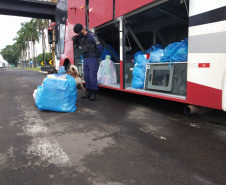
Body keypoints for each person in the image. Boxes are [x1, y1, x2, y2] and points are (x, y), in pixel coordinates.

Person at [73, 23, 103, 101]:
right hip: (85, 59)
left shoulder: (92, 36)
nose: (78, 34)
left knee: (92, 76)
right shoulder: (81, 38)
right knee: (86, 76)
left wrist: (98, 55)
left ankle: (93, 93)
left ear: (82, 29)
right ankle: (88, 92)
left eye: (79, 32)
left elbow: (99, 46)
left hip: (92, 58)